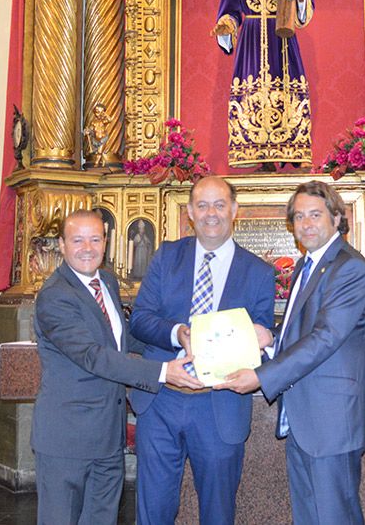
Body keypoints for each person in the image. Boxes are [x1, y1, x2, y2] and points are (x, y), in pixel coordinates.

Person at [217, 180, 365, 525]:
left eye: (315, 215)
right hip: (306, 418)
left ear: (337, 218)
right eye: (299, 217)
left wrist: (261, 377)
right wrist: (270, 338)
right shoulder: (307, 267)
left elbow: (325, 338)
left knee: (334, 515)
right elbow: (302, 332)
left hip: (332, 419)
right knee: (309, 516)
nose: (306, 224)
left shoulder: (348, 268)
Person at [31, 210, 203, 525]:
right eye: (77, 239)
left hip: (108, 436)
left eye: (95, 239)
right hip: (66, 439)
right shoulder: (55, 296)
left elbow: (121, 337)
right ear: (62, 244)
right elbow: (93, 355)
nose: (87, 248)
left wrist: (178, 337)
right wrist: (164, 372)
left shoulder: (105, 280)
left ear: (106, 242)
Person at [128, 176, 277, 523]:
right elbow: (140, 320)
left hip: (218, 404)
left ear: (235, 210)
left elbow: (258, 339)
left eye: (220, 204)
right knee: (153, 512)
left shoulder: (258, 272)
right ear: (191, 212)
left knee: (218, 512)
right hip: (162, 401)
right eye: (203, 205)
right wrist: (178, 332)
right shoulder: (167, 256)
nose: (211, 213)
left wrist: (260, 338)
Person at [213, 0, 314, 169]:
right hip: (251, 40)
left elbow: (306, 11)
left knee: (287, 91)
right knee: (252, 93)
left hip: (283, 37)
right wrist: (226, 25)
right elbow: (231, 9)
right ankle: (258, 153)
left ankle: (289, 151)